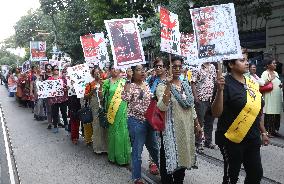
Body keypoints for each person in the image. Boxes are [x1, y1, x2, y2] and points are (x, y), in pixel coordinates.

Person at [212, 52, 270, 184]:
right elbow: (216, 113)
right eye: (242, 60)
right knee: (232, 176)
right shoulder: (224, 83)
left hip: (253, 137)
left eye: (247, 59)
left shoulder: (252, 83)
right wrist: (220, 91)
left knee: (256, 174)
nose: (247, 62)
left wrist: (264, 132)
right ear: (231, 64)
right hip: (231, 138)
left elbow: (257, 110)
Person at [156, 57, 202, 184]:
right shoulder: (162, 86)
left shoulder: (186, 85)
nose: (177, 69)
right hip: (170, 132)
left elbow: (191, 106)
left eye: (179, 66)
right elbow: (162, 106)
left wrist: (197, 124)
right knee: (168, 161)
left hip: (185, 129)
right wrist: (169, 86)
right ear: (167, 68)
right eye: (174, 66)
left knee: (182, 159)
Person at [122, 64, 159, 184]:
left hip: (149, 121)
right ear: (133, 72)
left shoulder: (146, 84)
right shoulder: (131, 85)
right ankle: (137, 177)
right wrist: (128, 79)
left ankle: (164, 171)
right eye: (138, 70)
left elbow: (150, 99)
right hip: (136, 121)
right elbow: (125, 97)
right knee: (137, 151)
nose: (142, 72)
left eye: (143, 69)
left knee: (154, 148)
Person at [102, 64, 131, 165]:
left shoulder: (124, 81)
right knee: (112, 133)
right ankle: (112, 156)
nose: (115, 69)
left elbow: (128, 94)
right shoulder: (106, 82)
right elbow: (103, 96)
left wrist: (129, 79)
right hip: (111, 110)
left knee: (122, 132)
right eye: (112, 68)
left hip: (121, 109)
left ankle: (122, 158)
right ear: (110, 70)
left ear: (120, 69)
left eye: (116, 67)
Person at [191, 62, 217, 150]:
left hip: (211, 99)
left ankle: (208, 141)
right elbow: (193, 83)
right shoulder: (197, 67)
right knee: (199, 122)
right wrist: (196, 98)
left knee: (210, 121)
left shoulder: (213, 67)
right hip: (201, 99)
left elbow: (215, 80)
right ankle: (197, 143)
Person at [85, 66, 108, 153]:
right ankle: (98, 148)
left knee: (105, 126)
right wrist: (92, 92)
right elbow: (85, 96)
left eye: (99, 72)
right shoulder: (90, 84)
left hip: (105, 106)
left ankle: (106, 147)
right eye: (95, 73)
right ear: (93, 74)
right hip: (95, 107)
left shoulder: (105, 82)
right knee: (97, 126)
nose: (98, 74)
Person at [261, 57, 283, 137]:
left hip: (277, 96)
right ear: (268, 65)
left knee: (276, 113)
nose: (275, 64)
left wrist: (281, 85)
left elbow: (277, 83)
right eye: (273, 63)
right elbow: (262, 84)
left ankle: (274, 130)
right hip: (270, 96)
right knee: (270, 113)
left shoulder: (276, 73)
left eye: (275, 63)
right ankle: (268, 131)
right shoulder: (265, 73)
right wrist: (270, 79)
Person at [48, 65, 69, 133]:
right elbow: (47, 89)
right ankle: (55, 126)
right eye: (55, 69)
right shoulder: (50, 79)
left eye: (57, 69)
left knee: (64, 112)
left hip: (62, 99)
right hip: (54, 100)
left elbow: (66, 87)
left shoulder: (62, 78)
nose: (56, 71)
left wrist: (66, 88)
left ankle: (66, 124)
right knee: (55, 113)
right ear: (52, 71)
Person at [43, 64, 53, 128]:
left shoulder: (55, 75)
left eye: (50, 68)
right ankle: (49, 122)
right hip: (47, 94)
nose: (48, 69)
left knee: (55, 108)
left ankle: (58, 121)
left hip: (55, 94)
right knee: (49, 108)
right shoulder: (43, 75)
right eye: (47, 68)